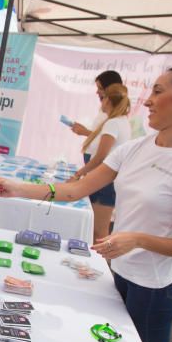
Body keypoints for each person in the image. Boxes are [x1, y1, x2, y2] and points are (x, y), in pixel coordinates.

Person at [0, 62, 172, 342]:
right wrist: (20, 189)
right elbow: (78, 189)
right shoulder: (137, 148)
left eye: (158, 91)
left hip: (155, 288)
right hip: (118, 272)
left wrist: (137, 240)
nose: (147, 100)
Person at [72, 83, 133, 241]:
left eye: (103, 97)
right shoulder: (120, 121)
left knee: (98, 232)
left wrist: (80, 173)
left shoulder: (113, 123)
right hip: (106, 181)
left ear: (108, 100)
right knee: (97, 231)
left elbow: (101, 156)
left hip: (104, 183)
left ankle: (99, 264)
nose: (101, 101)